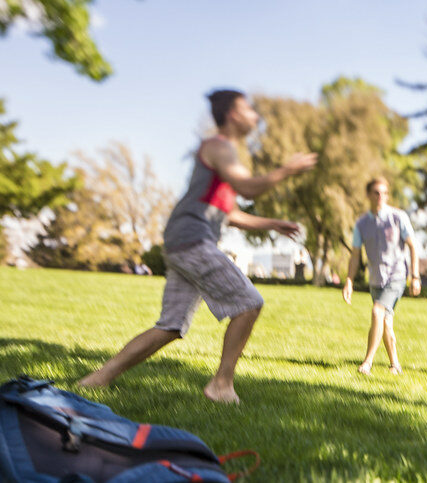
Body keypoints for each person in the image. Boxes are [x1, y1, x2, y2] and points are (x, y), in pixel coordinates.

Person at [78, 89, 317, 403]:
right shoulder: (219, 146)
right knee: (248, 303)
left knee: (171, 326)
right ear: (232, 115)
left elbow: (229, 214)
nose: (255, 115)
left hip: (181, 241)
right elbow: (247, 187)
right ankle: (221, 384)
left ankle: (98, 378)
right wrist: (285, 171)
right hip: (192, 240)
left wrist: (272, 223)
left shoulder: (224, 154)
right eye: (249, 109)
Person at [343, 176, 420, 375]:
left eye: (384, 193)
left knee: (377, 312)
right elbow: (355, 256)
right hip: (376, 280)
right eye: (376, 193)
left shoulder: (398, 217)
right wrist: (349, 281)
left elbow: (413, 247)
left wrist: (415, 276)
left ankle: (367, 363)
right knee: (385, 321)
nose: (381, 197)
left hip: (396, 276)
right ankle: (395, 364)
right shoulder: (361, 224)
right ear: (368, 195)